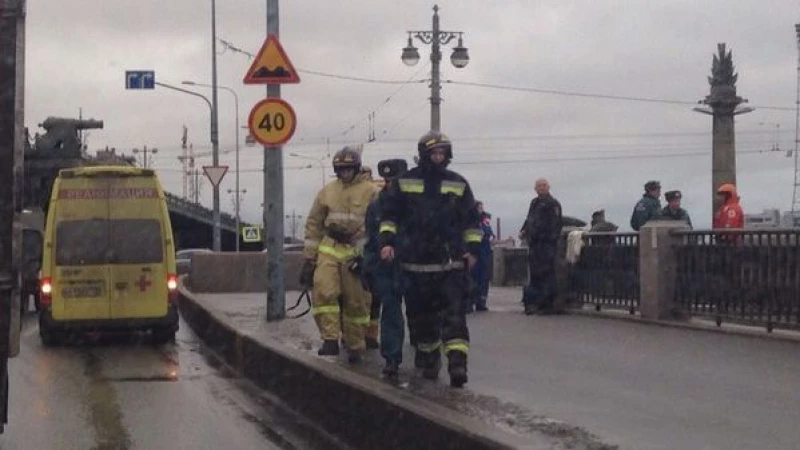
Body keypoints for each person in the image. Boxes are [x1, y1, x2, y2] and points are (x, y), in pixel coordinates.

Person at [378, 130, 480, 388]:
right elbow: (389, 216)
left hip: (449, 263)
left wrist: (472, 250)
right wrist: (387, 243)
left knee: (454, 315)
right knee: (421, 318)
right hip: (414, 265)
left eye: (442, 152)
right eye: (434, 152)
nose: (438, 156)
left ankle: (457, 363)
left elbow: (471, 221)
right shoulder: (404, 182)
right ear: (424, 154)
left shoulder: (458, 183)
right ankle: (429, 357)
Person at [299, 146, 378, 363]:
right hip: (329, 247)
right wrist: (309, 259)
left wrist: (367, 255)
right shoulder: (327, 191)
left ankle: (355, 344)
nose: (344, 173)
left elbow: (377, 226)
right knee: (324, 291)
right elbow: (314, 224)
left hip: (356, 252)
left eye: (348, 169)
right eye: (341, 169)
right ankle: (330, 339)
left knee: (356, 301)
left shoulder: (372, 192)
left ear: (357, 168)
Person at [363, 158, 410, 379]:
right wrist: (367, 267)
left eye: (395, 181)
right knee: (390, 310)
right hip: (387, 267)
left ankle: (426, 352)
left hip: (415, 265)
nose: (391, 185)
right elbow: (371, 240)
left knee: (421, 311)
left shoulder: (415, 203)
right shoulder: (375, 206)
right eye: (388, 180)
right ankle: (392, 358)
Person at [519, 178, 563, 315]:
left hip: (546, 245)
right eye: (539, 186)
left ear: (548, 187)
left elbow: (556, 225)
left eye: (544, 185)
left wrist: (549, 240)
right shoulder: (534, 203)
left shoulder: (553, 204)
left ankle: (548, 305)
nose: (542, 188)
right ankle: (535, 304)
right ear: (535, 189)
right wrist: (524, 231)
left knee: (547, 275)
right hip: (534, 245)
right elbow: (529, 219)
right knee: (535, 275)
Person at [467, 201, 494, 312]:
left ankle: (481, 302)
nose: (481, 210)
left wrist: (490, 237)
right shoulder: (469, 221)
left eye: (482, 208)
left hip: (485, 252)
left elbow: (490, 234)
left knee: (483, 279)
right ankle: (469, 302)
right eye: (479, 208)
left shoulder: (485, 221)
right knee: (472, 278)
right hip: (473, 252)